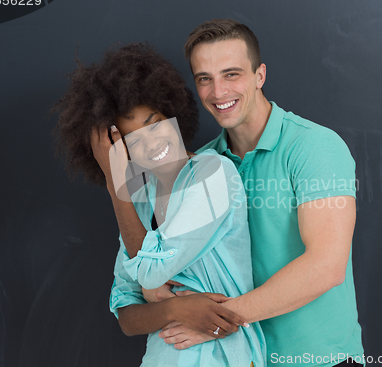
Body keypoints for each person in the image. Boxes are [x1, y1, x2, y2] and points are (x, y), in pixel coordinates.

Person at [146, 19, 364, 367]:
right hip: (242, 359)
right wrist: (153, 284)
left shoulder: (314, 147)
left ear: (259, 75)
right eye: (205, 78)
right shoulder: (201, 165)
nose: (218, 92)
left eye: (231, 74)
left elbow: (326, 266)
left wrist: (218, 322)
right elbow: (168, 266)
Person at [52, 43, 266, 367]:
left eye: (155, 123)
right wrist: (174, 309)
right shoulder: (138, 200)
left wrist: (116, 185)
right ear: (122, 153)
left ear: (173, 114)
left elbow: (150, 273)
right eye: (133, 140)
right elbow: (125, 312)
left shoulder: (213, 175)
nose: (152, 142)